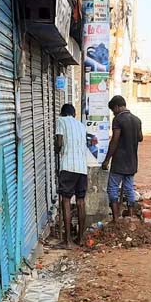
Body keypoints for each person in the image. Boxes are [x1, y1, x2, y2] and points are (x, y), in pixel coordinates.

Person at [102, 95, 143, 221]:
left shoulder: (118, 119)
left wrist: (107, 159)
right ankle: (130, 216)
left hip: (119, 161)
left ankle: (115, 218)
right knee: (129, 188)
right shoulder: (137, 120)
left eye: (113, 110)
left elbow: (114, 140)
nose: (113, 113)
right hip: (132, 161)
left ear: (117, 107)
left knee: (112, 188)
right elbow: (140, 138)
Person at [55, 104, 91, 246]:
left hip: (68, 166)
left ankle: (68, 240)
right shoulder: (81, 126)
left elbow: (59, 143)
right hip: (82, 168)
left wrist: (57, 148)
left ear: (62, 113)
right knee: (81, 202)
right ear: (74, 114)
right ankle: (81, 238)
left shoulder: (61, 121)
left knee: (66, 200)